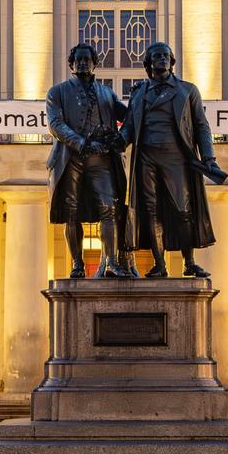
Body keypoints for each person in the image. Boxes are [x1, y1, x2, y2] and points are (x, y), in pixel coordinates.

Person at [121, 42, 223, 278]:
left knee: (182, 208)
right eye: (157, 55)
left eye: (166, 55)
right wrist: (111, 143)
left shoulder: (187, 90)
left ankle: (189, 262)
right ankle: (160, 264)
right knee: (151, 210)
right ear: (148, 63)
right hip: (146, 155)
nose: (162, 59)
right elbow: (128, 128)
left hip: (176, 156)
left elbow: (201, 126)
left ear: (172, 61)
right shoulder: (138, 92)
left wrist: (208, 157)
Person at [46, 42, 134, 278]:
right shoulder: (57, 92)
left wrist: (139, 100)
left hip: (101, 157)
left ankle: (112, 263)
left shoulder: (106, 93)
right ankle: (77, 263)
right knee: (71, 212)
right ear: (71, 64)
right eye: (79, 59)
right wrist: (81, 143)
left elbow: (127, 116)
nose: (83, 63)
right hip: (71, 157)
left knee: (109, 207)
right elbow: (56, 125)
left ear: (95, 63)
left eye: (87, 59)